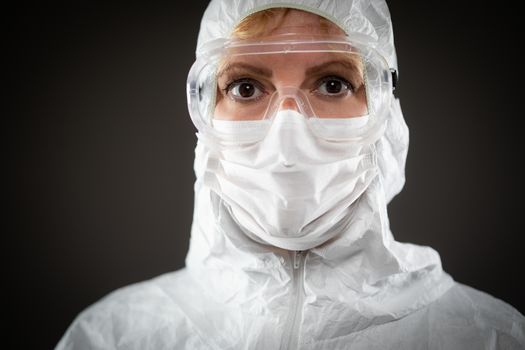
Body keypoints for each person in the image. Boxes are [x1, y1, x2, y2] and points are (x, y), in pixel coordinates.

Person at [55, 0, 524, 349]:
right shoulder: (115, 336)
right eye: (245, 87)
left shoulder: (488, 336)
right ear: (207, 114)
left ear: (386, 117)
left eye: (333, 84)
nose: (288, 134)